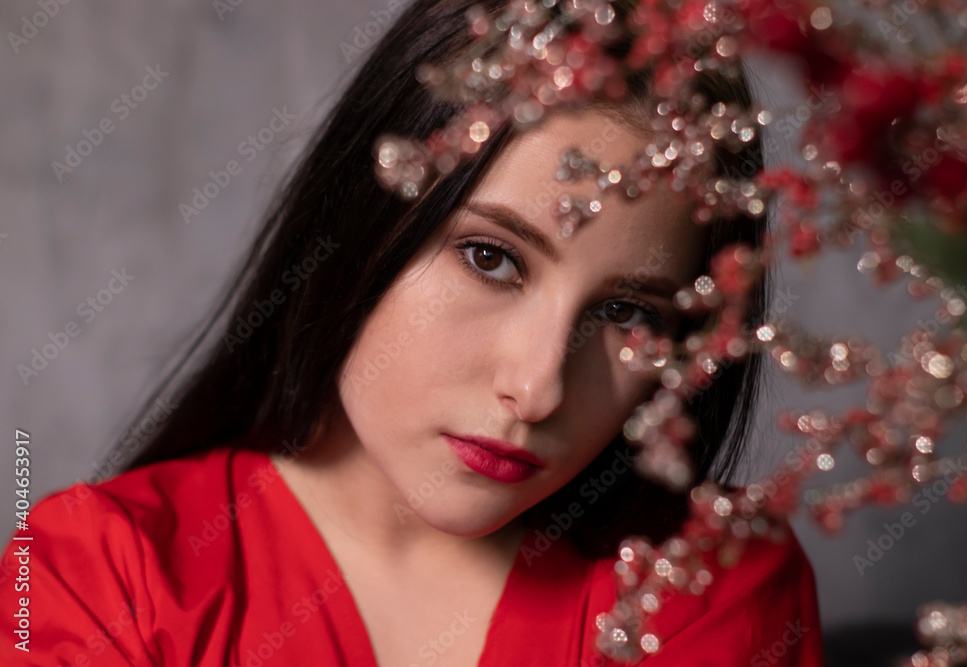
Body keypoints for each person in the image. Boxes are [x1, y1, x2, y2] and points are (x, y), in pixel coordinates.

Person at [1, 0, 822, 664]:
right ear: (360, 222)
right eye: (491, 259)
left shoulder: (704, 586)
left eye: (625, 313)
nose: (536, 388)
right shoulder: (92, 577)